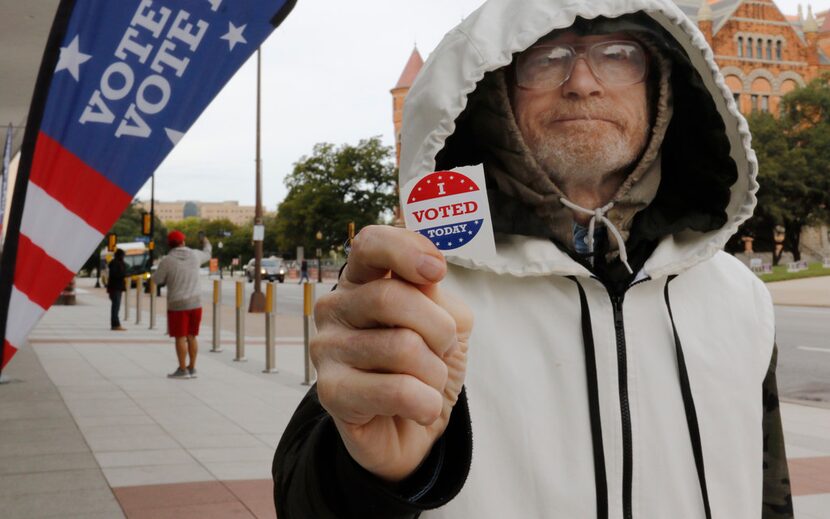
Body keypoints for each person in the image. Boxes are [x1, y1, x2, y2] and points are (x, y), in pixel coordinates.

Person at [273, 1, 793, 517]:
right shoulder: (421, 289)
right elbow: (304, 502)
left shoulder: (739, 296)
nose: (583, 82)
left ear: (661, 87)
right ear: (494, 89)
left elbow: (768, 490)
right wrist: (376, 476)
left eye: (618, 54)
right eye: (546, 57)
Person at [152, 230, 211, 379]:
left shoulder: (167, 260)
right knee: (192, 336)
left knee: (180, 337)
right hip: (196, 303)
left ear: (170, 245)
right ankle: (192, 367)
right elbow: (208, 253)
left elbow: (157, 280)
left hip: (178, 305)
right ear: (183, 242)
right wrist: (205, 240)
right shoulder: (195, 255)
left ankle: (182, 369)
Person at [106, 248, 127, 331]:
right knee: (116, 306)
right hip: (115, 287)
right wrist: (123, 274)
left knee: (116, 306)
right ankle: (115, 324)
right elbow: (115, 274)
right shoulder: (115, 263)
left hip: (117, 287)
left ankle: (115, 323)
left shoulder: (118, 263)